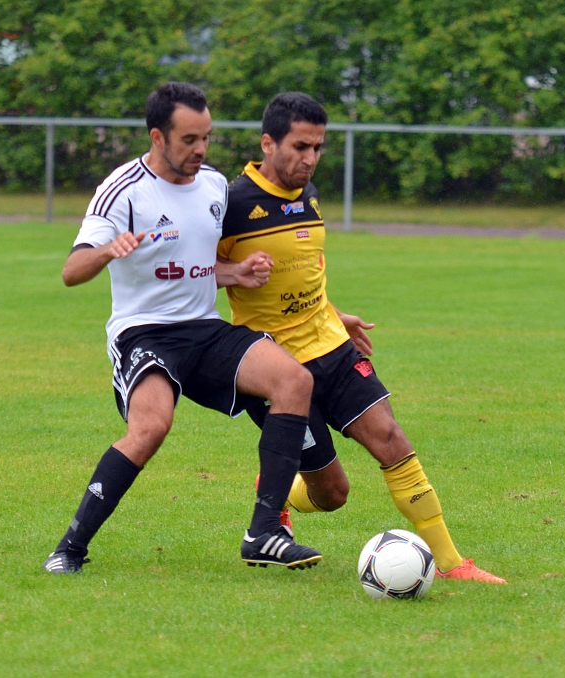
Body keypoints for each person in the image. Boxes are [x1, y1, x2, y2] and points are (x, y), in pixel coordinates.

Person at [217, 92, 506, 584]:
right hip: (277, 369)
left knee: (392, 440)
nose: (309, 159)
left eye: (318, 148)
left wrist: (334, 313)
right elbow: (184, 273)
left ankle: (453, 563)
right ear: (268, 143)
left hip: (331, 345)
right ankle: (279, 490)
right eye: (300, 147)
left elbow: (304, 272)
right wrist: (235, 273)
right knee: (332, 494)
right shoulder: (232, 203)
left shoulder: (308, 194)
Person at [43, 82, 322, 574]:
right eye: (189, 139)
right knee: (150, 427)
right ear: (158, 136)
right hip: (145, 334)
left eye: (206, 138)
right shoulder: (123, 190)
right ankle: (70, 547)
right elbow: (71, 271)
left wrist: (236, 273)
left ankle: (264, 532)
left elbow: (199, 265)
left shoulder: (214, 186)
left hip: (205, 330)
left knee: (294, 381)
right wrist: (109, 250)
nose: (200, 150)